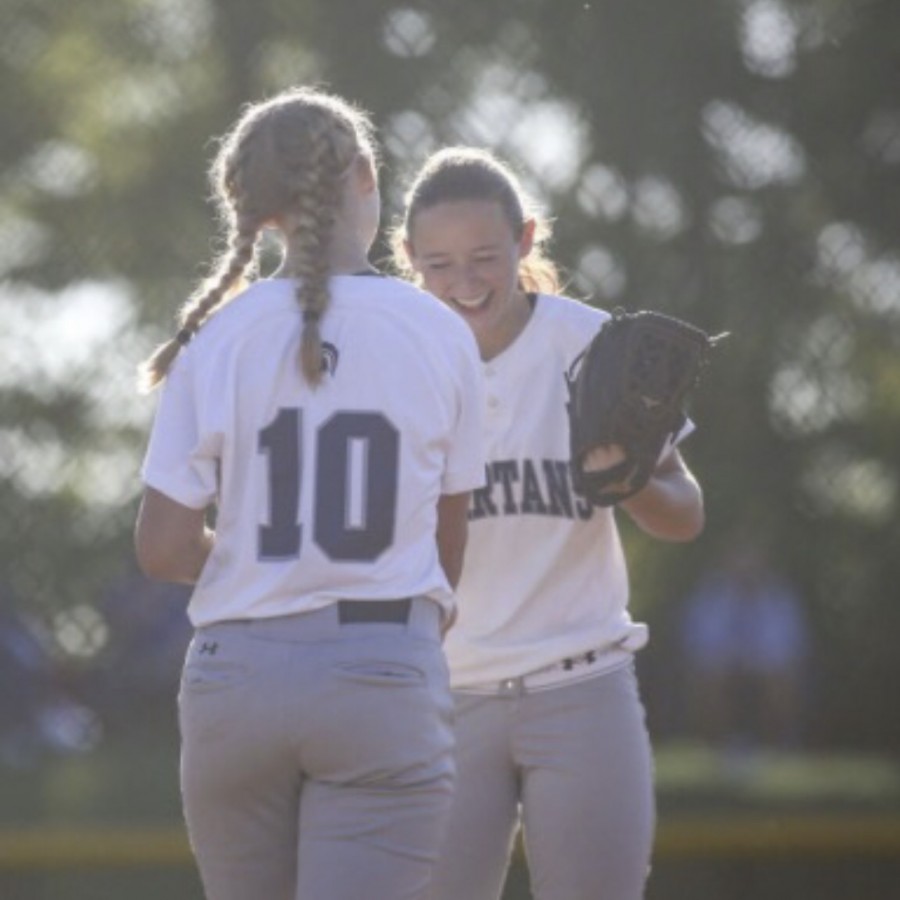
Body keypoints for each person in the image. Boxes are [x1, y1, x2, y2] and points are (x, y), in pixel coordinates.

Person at [133, 88, 485, 900]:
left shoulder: (215, 335)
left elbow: (161, 549)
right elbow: (448, 539)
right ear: (363, 175)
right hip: (381, 665)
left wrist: (253, 563)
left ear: (257, 207)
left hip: (235, 673)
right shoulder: (438, 330)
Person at [392, 146, 705, 900]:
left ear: (526, 239)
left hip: (582, 679)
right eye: (438, 263)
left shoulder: (592, 343)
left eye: (484, 256)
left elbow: (685, 515)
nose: (463, 282)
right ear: (407, 259)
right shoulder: (395, 364)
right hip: (446, 693)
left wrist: (625, 479)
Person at [679, 539, 811, 755]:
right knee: (710, 680)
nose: (745, 565)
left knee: (780, 682)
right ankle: (715, 748)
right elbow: (697, 645)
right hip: (722, 666)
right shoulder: (711, 597)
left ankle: (777, 749)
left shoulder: (779, 599)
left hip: (767, 667)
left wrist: (756, 660)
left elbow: (788, 649)